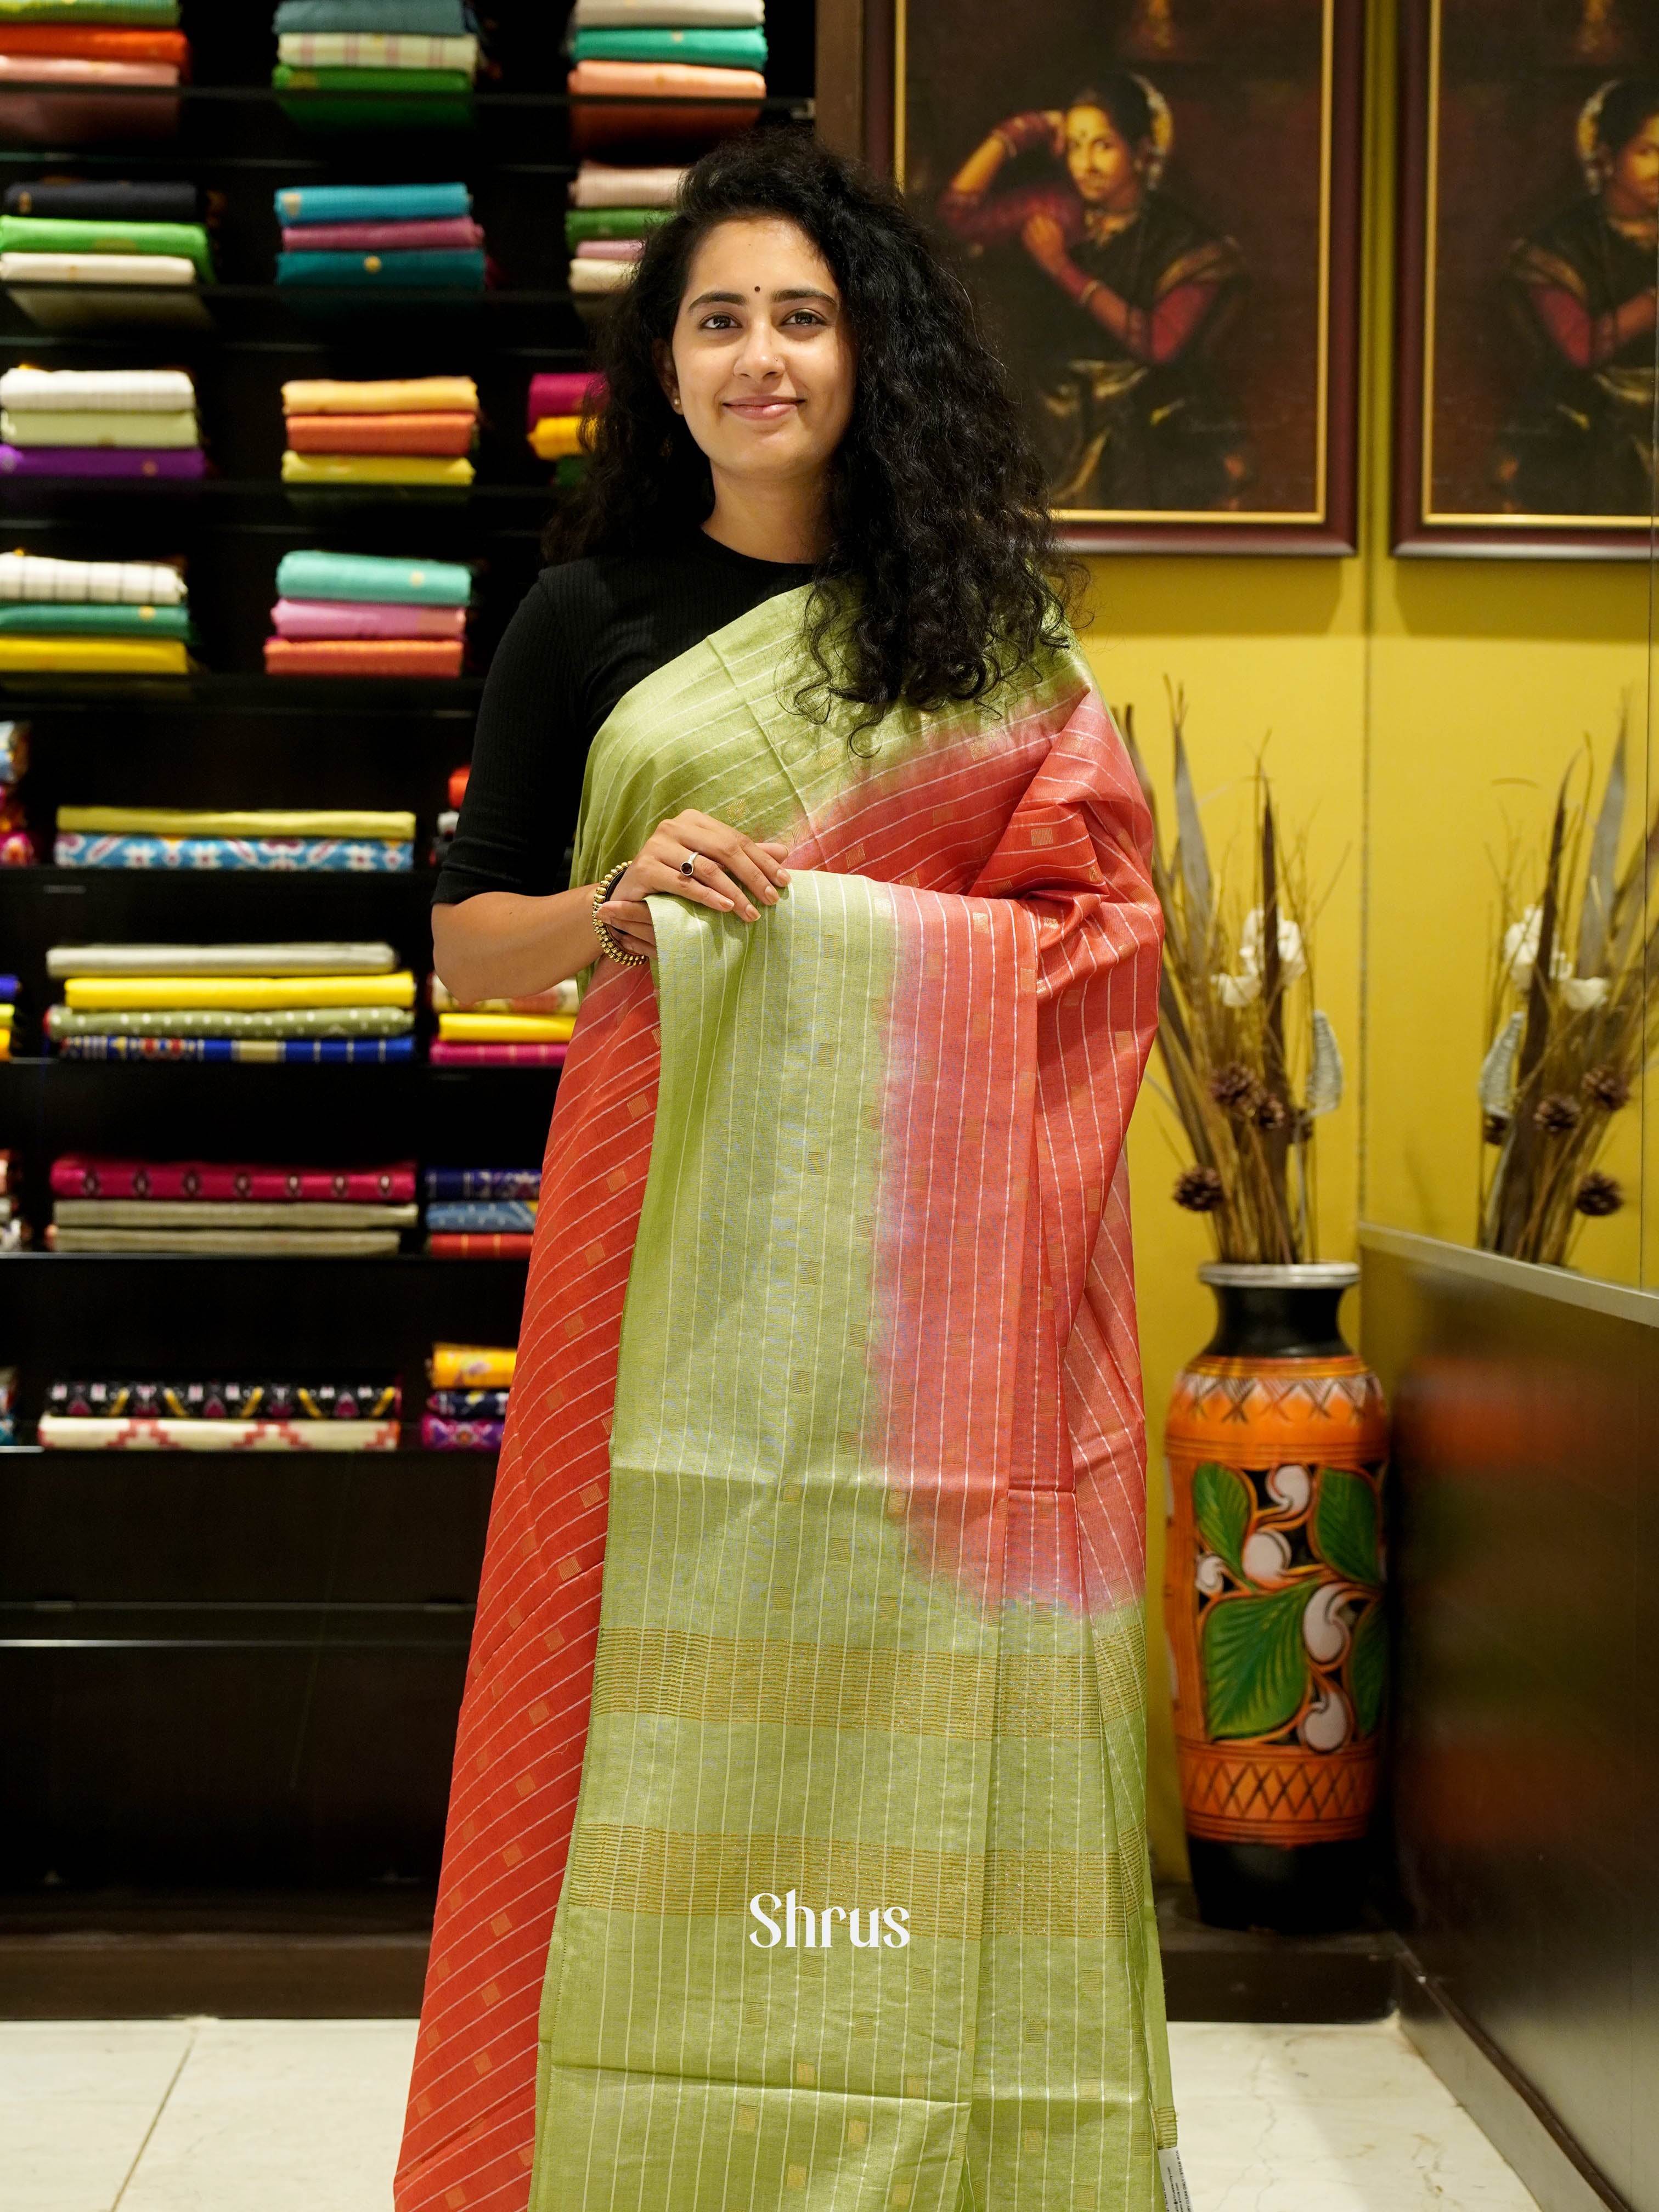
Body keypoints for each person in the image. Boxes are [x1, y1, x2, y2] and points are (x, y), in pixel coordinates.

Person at [396, 128, 1181, 2212]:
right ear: (662, 368)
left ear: (866, 354)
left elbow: (1099, 931)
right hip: (654, 1227)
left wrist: (832, 934)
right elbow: (471, 946)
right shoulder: (583, 617)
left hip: (940, 1276)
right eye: (719, 320)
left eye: (802, 318)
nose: (761, 357)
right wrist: (618, 901)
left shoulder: (985, 637)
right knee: (611, 1663)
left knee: (942, 1677)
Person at [939, 74, 1247, 511]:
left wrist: (1062, 269)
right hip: (1053, 412)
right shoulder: (1060, 210)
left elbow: (1158, 344)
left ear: (1141, 152)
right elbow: (957, 215)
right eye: (1075, 146)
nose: (1086, 164)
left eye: (1103, 146)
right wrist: (1022, 131)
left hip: (1145, 418)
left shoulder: (1187, 242)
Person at [1498, 78, 1659, 515]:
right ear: (1606, 157)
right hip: (1593, 420)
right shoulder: (1559, 246)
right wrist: (1650, 307)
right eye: (1648, 152)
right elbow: (1580, 348)